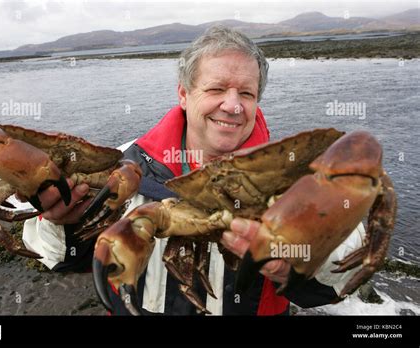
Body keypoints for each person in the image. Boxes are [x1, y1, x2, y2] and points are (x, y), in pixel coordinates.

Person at [22, 26, 366, 315]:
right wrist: (61, 223)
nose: (232, 106)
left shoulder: (298, 176)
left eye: (246, 93)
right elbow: (59, 257)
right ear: (184, 94)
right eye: (216, 88)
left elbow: (344, 272)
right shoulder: (129, 166)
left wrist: (301, 261)